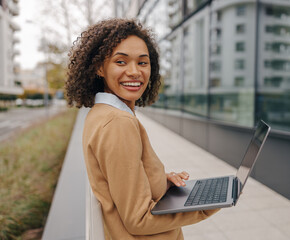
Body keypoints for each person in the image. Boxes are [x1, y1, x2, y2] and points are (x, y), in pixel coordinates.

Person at [65, 18, 219, 239]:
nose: (134, 72)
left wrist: (157, 180)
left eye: (143, 62)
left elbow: (118, 182)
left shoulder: (99, 113)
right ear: (99, 67)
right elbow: (138, 220)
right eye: (121, 62)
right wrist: (205, 205)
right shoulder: (118, 123)